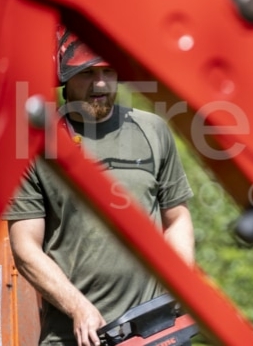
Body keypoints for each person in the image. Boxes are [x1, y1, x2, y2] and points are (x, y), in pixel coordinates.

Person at [4, 26, 195, 346]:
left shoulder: (152, 131)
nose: (101, 84)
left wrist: (179, 286)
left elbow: (176, 219)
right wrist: (78, 307)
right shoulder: (35, 143)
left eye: (108, 71)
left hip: (155, 332)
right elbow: (25, 247)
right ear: (65, 76)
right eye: (88, 73)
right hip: (74, 337)